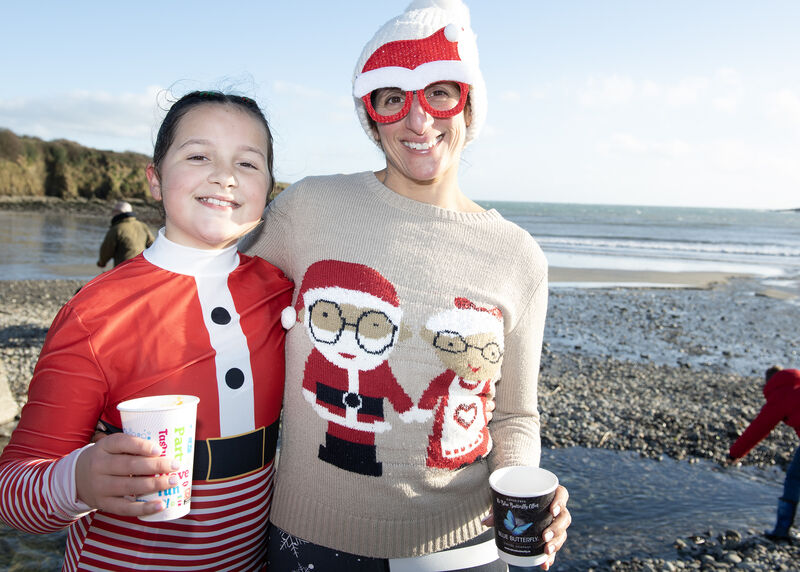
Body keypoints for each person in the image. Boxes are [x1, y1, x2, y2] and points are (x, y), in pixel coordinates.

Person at [242, 1, 571, 569]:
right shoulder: (311, 208)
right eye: (392, 99)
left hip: (463, 549)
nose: (418, 122)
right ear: (372, 118)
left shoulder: (519, 256)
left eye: (439, 92)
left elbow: (514, 415)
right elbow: (209, 295)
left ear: (469, 104)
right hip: (312, 540)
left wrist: (524, 490)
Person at [0, 90, 293, 571]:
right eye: (198, 156)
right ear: (155, 180)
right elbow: (14, 489)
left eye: (248, 163)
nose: (224, 176)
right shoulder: (95, 312)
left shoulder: (281, 290)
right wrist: (78, 481)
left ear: (267, 189)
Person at [729, 365, 800, 540]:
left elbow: (758, 429)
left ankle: (781, 531)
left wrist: (734, 454)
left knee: (794, 478)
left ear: (769, 382)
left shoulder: (781, 395)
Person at [96, 200, 155, 268]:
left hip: (124, 267)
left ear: (118, 212)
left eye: (114, 211)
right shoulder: (142, 226)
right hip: (142, 266)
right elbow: (153, 245)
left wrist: (102, 263)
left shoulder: (116, 229)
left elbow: (106, 251)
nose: (112, 213)